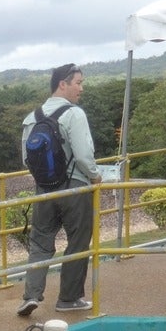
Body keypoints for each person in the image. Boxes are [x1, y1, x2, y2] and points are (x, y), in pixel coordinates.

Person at [16, 64, 101, 317]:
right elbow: (84, 156)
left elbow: (25, 160)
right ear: (62, 84)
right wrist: (95, 176)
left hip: (44, 189)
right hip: (74, 187)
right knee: (78, 242)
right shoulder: (74, 114)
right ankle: (69, 298)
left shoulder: (32, 117)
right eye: (78, 83)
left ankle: (31, 295)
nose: (81, 89)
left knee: (40, 242)